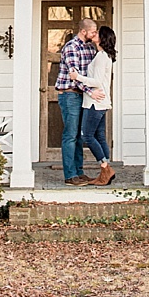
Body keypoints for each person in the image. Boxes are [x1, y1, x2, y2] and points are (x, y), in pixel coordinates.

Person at [53, 17, 99, 185]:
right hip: (69, 95)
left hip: (82, 95)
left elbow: (91, 74)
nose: (95, 34)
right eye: (93, 31)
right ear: (83, 31)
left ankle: (79, 172)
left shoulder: (89, 48)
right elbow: (75, 76)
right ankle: (70, 175)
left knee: (79, 136)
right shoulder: (71, 48)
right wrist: (91, 93)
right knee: (70, 135)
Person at [73, 24, 117, 187]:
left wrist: (78, 77)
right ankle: (105, 171)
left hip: (95, 102)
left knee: (87, 135)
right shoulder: (103, 55)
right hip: (101, 101)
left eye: (98, 33)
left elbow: (97, 81)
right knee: (99, 136)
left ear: (102, 38)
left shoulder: (101, 57)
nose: (95, 33)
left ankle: (105, 168)